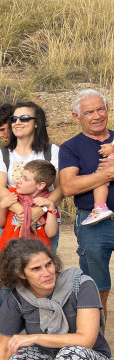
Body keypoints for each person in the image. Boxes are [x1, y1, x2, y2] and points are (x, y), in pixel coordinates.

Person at [60, 89, 114, 321]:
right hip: (93, 224)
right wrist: (110, 173)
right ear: (76, 117)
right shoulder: (71, 147)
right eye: (89, 111)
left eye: (100, 109)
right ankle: (97, 344)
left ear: (108, 110)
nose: (97, 115)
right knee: (95, 284)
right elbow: (69, 186)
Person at [0, 101, 62, 252]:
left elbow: (61, 188)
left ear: (36, 123)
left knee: (42, 269)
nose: (17, 122)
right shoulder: (3, 154)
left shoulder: (51, 151)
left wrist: (40, 210)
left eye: (24, 118)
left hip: (43, 222)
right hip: (12, 222)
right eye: (14, 119)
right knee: (8, 270)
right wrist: (25, 213)